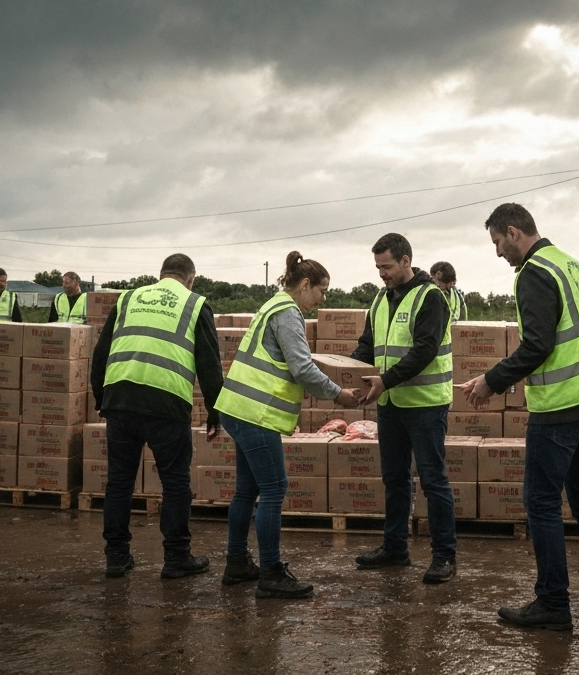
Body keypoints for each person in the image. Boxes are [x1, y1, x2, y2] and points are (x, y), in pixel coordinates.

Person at [459, 203, 579, 630]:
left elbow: (537, 345)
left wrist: (491, 381)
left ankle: (552, 603)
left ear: (513, 232)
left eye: (497, 242)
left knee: (542, 503)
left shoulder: (534, 272)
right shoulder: (570, 264)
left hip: (563, 406)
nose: (497, 252)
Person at [214, 251, 364, 599]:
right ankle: (271, 573)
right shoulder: (288, 313)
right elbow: (301, 368)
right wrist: (337, 394)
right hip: (256, 413)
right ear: (305, 285)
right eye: (322, 291)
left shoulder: (272, 305)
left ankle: (236, 564)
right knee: (274, 488)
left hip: (237, 408)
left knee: (246, 491)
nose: (323, 299)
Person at [90, 254, 223, 580]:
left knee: (119, 480)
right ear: (191, 278)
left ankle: (116, 558)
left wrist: (101, 398)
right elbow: (209, 364)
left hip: (120, 400)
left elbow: (101, 353)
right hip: (166, 403)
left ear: (160, 275)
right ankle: (177, 557)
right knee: (175, 482)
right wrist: (215, 411)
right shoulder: (195, 304)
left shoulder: (128, 298)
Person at [351, 232, 458, 584]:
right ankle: (395, 548)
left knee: (432, 479)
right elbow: (368, 346)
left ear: (406, 261)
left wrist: (385, 380)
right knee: (394, 479)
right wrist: (344, 370)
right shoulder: (380, 301)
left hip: (425, 405)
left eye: (387, 266)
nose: (381, 273)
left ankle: (445, 555)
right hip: (391, 404)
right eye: (378, 267)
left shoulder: (431, 298)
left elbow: (425, 350)